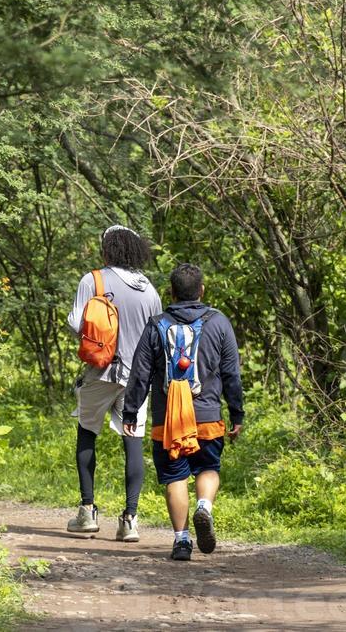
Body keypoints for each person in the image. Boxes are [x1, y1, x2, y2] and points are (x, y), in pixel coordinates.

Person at [123, 262, 244, 561]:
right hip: (207, 417)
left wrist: (130, 412)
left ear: (171, 292)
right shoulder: (219, 323)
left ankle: (181, 541)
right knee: (208, 469)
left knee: (175, 476)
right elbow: (231, 373)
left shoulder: (156, 325)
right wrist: (236, 413)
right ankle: (204, 506)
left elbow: (139, 373)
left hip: (168, 422)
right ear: (201, 291)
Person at [67, 224, 162, 541]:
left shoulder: (92, 280)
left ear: (107, 249)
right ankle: (130, 520)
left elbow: (76, 322)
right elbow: (157, 334)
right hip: (138, 378)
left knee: (87, 431)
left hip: (101, 371)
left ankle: (87, 512)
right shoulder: (148, 289)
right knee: (132, 441)